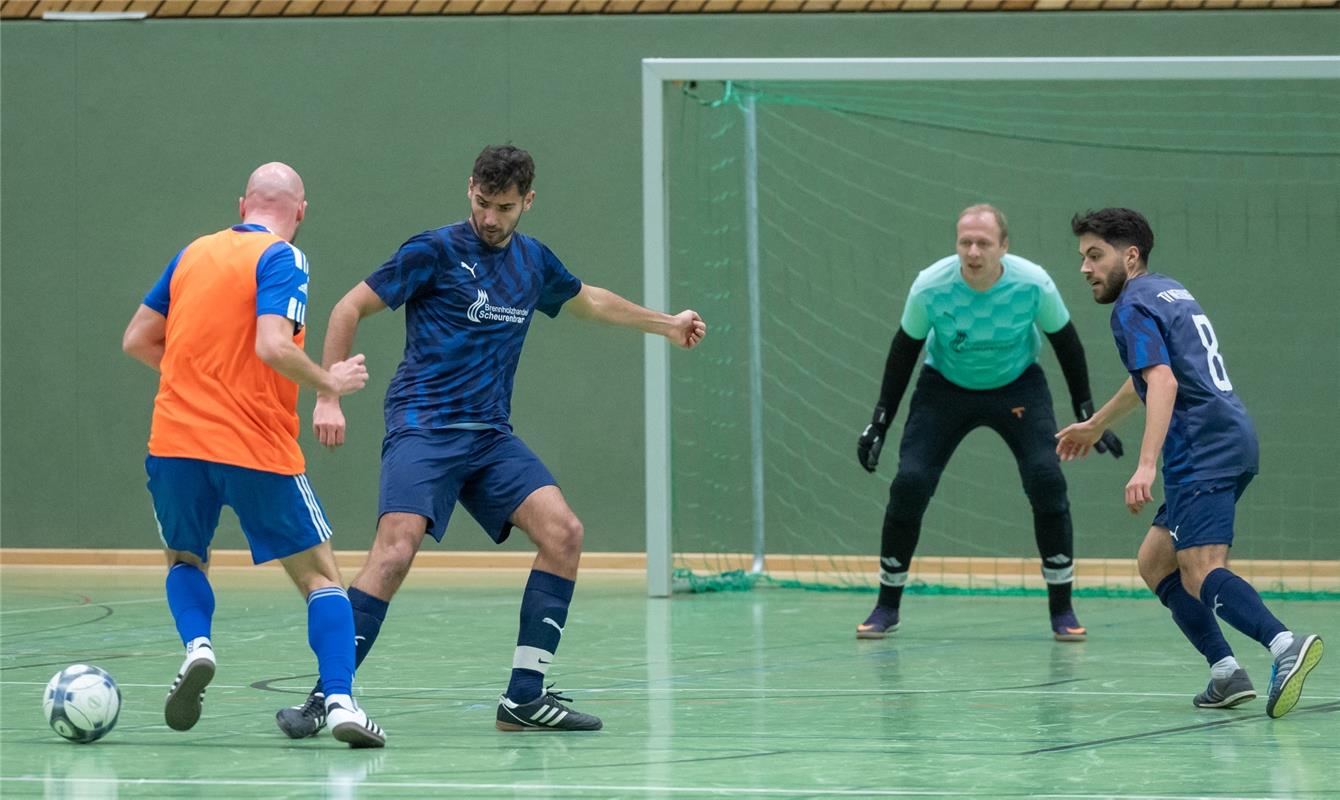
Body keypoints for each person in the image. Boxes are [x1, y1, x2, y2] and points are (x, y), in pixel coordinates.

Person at [274, 144, 707, 737]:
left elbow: (592, 302)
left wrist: (667, 324)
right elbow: (350, 306)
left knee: (565, 534)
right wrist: (327, 393)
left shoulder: (534, 264)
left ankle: (523, 699)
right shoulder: (434, 250)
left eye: (504, 207)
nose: (490, 218)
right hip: (423, 427)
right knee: (395, 552)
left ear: (527, 201)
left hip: (489, 438)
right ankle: (326, 696)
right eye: (482, 202)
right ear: (469, 188)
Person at [121, 162, 386, 747]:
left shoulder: (192, 253)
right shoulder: (285, 259)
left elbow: (137, 338)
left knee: (185, 559)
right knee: (322, 578)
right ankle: (340, 700)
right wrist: (328, 383)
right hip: (252, 443)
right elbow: (271, 343)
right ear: (301, 211)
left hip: (174, 442)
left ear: (243, 204)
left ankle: (198, 647)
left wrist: (197, 379)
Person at [1058, 207, 1322, 717]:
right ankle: (1225, 671)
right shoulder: (1166, 290)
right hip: (1229, 436)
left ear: (1129, 256)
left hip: (1201, 446)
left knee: (1199, 569)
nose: (1086, 268)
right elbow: (1150, 376)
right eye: (1082, 257)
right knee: (1155, 562)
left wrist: (1145, 464)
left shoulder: (1130, 306)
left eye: (1095, 256)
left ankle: (1284, 644)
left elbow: (1163, 382)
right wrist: (1097, 425)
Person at [855, 204, 1122, 641]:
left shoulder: (1033, 283)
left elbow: (1066, 344)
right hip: (944, 386)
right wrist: (879, 422)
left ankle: (1062, 610)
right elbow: (904, 351)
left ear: (1004, 247)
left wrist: (1087, 413)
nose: (973, 252)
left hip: (1017, 386)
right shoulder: (930, 286)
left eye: (983, 243)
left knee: (1046, 477)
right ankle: (887, 606)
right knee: (910, 481)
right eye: (965, 242)